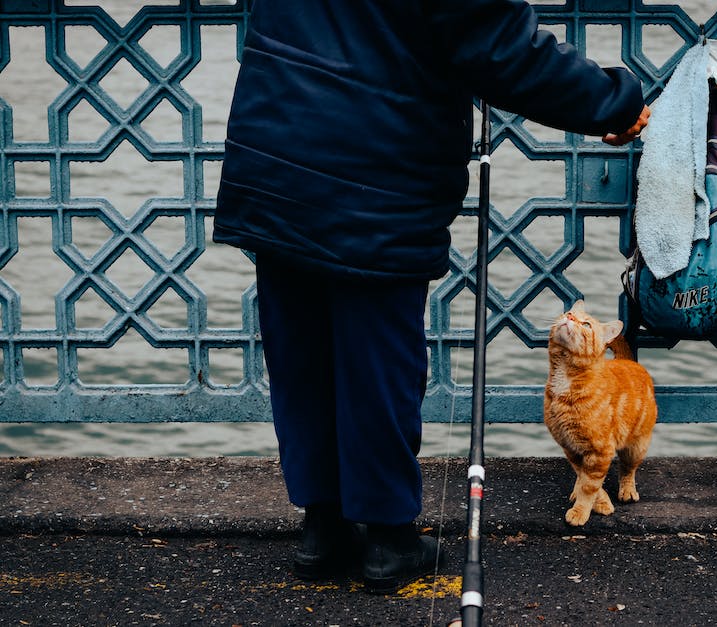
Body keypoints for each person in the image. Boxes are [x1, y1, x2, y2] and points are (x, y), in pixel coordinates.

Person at [213, 0, 650, 593]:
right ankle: (390, 539)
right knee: (378, 361)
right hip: (375, 172)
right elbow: (500, 47)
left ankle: (323, 528)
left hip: (276, 149)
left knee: (301, 353)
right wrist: (615, 100)